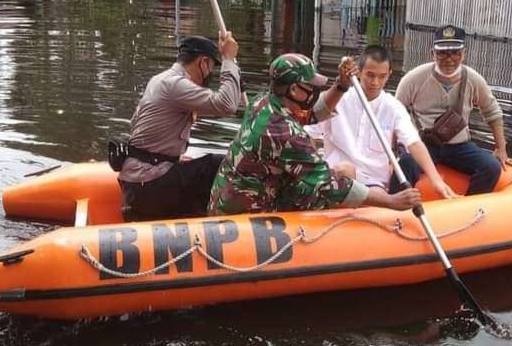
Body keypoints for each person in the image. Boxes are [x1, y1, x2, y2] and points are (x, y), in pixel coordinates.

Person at [208, 53, 421, 216]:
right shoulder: (285, 134)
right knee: (341, 178)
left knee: (340, 172)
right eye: (309, 86)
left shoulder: (263, 102)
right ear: (293, 90)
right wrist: (390, 202)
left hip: (227, 195)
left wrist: (341, 85)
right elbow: (331, 184)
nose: (314, 91)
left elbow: (313, 113)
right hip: (248, 209)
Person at [118, 32, 241, 221]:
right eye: (212, 68)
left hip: (139, 181)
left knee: (197, 164)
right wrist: (229, 60)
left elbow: (137, 125)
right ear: (203, 63)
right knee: (219, 164)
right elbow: (227, 105)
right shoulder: (175, 85)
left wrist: (170, 158)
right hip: (149, 185)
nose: (210, 74)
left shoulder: (160, 80)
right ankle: (224, 223)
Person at [306, 45, 457, 199]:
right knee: (344, 169)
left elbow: (413, 143)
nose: (375, 82)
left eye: (382, 76)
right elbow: (308, 132)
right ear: (359, 71)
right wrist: (312, 165)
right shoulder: (338, 99)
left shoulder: (393, 107)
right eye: (370, 75)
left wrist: (435, 179)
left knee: (385, 186)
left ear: (389, 74)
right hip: (335, 174)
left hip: (373, 181)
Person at [394, 25, 512, 195]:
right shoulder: (413, 79)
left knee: (491, 168)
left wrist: (501, 149)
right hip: (423, 145)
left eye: (455, 52)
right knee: (405, 164)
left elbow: (492, 112)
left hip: (459, 146)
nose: (449, 59)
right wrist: (392, 150)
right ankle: (395, 209)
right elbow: (393, 114)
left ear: (463, 54)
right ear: (432, 54)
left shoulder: (473, 79)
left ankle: (470, 209)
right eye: (442, 53)